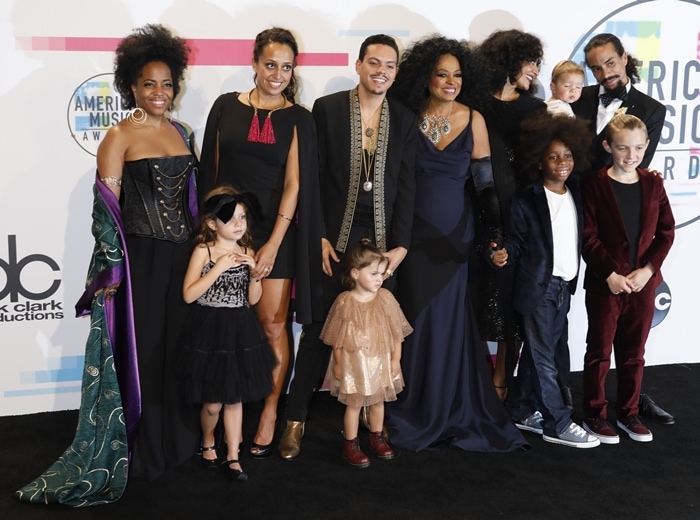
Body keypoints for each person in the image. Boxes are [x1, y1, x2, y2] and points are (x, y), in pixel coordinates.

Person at [17, 24, 199, 505]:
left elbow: (192, 205)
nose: (158, 93)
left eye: (166, 84)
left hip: (184, 260)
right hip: (141, 263)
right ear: (131, 87)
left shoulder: (182, 132)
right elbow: (105, 213)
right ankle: (139, 450)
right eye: (148, 84)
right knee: (144, 354)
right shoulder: (117, 137)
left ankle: (174, 442)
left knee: (175, 349)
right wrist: (111, 271)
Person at [383, 35, 527, 452]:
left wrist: (495, 235)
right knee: (414, 321)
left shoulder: (475, 118)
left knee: (444, 323)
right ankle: (412, 404)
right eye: (442, 74)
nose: (450, 82)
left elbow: (485, 187)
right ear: (424, 77)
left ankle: (445, 407)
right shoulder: (407, 115)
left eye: (458, 75)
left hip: (454, 237)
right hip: (411, 236)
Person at [277, 34, 417, 460]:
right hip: (332, 242)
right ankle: (295, 420)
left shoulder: (405, 119)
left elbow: (407, 186)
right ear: (358, 65)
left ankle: (368, 430)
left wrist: (402, 246)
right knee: (319, 333)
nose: (381, 71)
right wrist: (317, 232)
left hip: (380, 252)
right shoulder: (329, 109)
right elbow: (313, 178)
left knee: (377, 338)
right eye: (374, 62)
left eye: (390, 65)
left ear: (396, 71)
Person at [199, 27, 322, 457]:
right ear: (254, 63)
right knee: (224, 323)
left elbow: (294, 186)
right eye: (270, 64)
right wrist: (215, 237)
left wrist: (270, 245)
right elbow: (209, 174)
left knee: (273, 326)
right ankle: (218, 416)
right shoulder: (223, 107)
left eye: (286, 67)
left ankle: (270, 409)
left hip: (276, 237)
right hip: (225, 233)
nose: (277, 74)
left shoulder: (299, 118)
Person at [571, 33, 673, 424]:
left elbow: (639, 164)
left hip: (623, 213)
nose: (604, 73)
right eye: (595, 67)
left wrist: (645, 269)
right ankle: (580, 401)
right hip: (578, 209)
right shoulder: (576, 101)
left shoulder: (650, 108)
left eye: (609, 63)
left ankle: (630, 404)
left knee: (632, 337)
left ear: (624, 58)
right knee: (594, 332)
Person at [492, 113, 599, 448]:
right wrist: (501, 252)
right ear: (539, 162)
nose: (562, 162)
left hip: (564, 288)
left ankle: (523, 409)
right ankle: (558, 423)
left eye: (567, 155)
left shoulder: (577, 193)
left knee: (545, 353)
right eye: (553, 156)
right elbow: (517, 240)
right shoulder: (526, 199)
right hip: (537, 289)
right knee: (544, 359)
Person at [580, 113, 674, 443]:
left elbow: (666, 233)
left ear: (647, 147)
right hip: (607, 285)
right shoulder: (593, 184)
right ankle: (594, 413)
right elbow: (588, 237)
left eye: (637, 148)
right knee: (600, 351)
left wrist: (648, 270)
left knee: (634, 353)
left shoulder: (653, 183)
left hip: (644, 285)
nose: (630, 156)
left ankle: (629, 413)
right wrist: (609, 273)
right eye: (622, 148)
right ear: (608, 146)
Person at [179, 188, 278, 480]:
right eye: (231, 219)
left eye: (243, 218)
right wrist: (218, 267)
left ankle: (233, 456)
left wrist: (257, 277)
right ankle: (208, 440)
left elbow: (252, 300)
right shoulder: (204, 251)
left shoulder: (247, 251)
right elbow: (188, 295)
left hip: (239, 328)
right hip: (209, 329)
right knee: (213, 402)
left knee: (235, 398)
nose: (239, 224)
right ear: (212, 224)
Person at [471, 29, 547, 402]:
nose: (534, 70)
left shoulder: (533, 109)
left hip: (517, 213)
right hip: (472, 210)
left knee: (508, 302)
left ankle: (502, 383)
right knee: (472, 299)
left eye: (537, 62)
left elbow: (537, 167)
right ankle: (469, 382)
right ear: (508, 60)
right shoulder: (473, 102)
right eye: (529, 60)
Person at [320, 239, 412, 467]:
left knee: (378, 401)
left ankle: (377, 436)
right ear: (355, 273)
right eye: (373, 273)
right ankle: (350, 443)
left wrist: (395, 359)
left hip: (380, 362)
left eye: (381, 273)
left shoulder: (386, 299)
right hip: (354, 364)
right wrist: (339, 363)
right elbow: (336, 337)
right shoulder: (344, 302)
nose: (379, 278)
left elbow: (396, 334)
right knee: (354, 404)